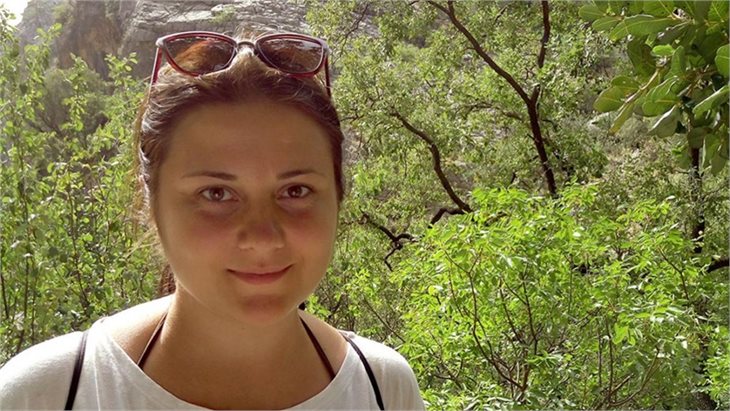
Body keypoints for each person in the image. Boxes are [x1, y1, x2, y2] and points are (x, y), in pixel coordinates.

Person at [0, 30, 425, 410]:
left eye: (295, 191)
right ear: (151, 204)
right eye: (216, 194)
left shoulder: (384, 388)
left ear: (338, 197)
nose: (262, 237)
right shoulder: (49, 392)